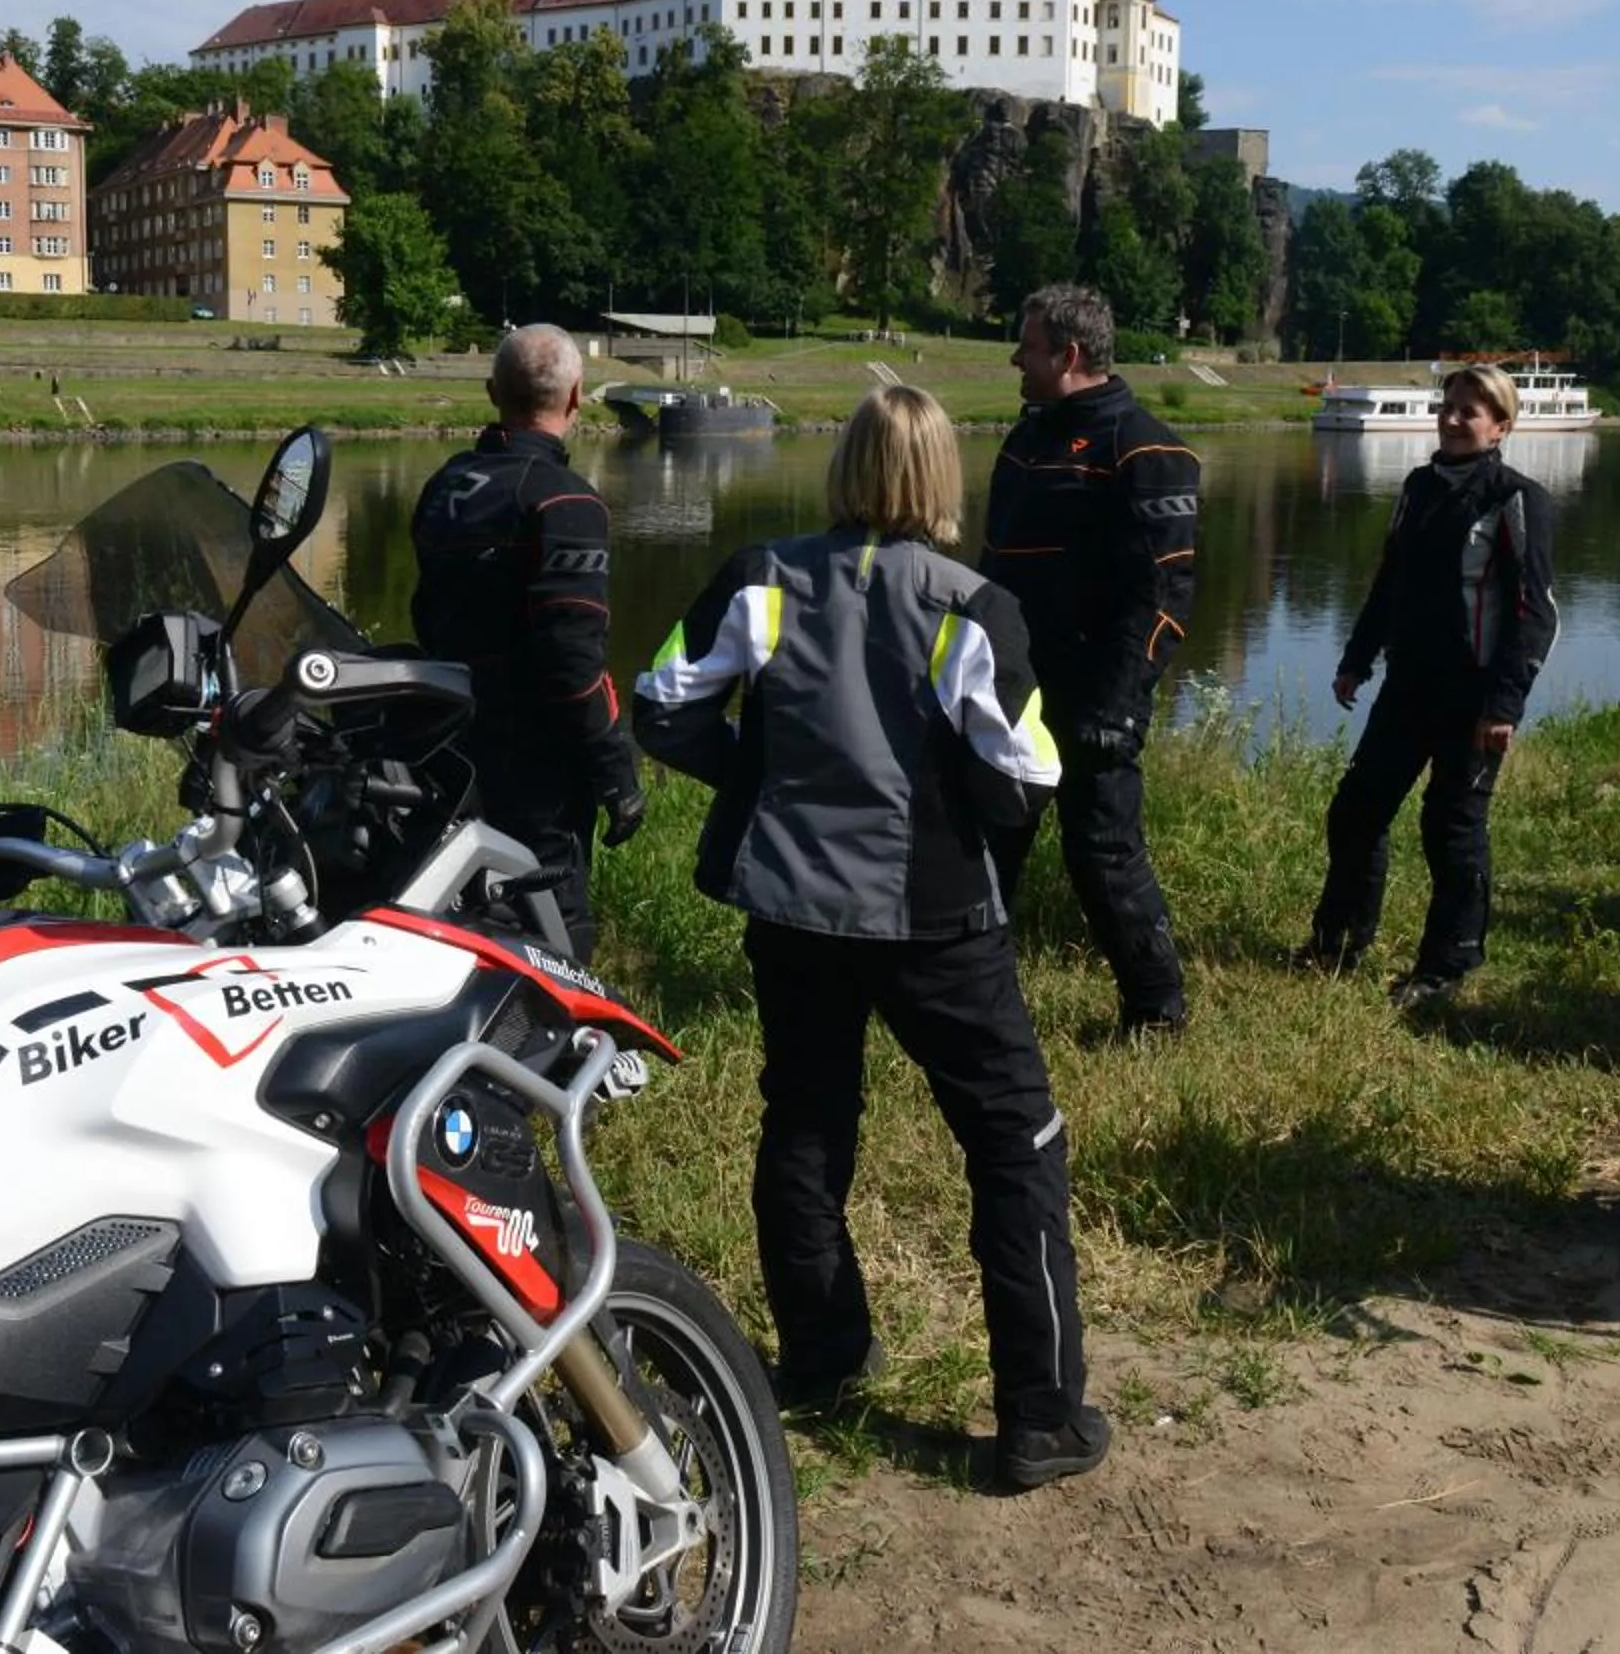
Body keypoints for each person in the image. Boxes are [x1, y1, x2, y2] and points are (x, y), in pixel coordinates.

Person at [635, 385, 1108, 1492]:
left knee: (805, 1118)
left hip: (793, 907)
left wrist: (763, 777)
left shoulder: (762, 577)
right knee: (1016, 1144)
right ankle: (1038, 1416)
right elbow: (1030, 771)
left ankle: (823, 1354)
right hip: (934, 920)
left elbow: (660, 704)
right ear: (943, 479)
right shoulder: (970, 602)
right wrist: (955, 823)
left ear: (844, 467)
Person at [981, 284, 1201, 1036]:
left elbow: (1166, 595)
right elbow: (993, 571)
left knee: (1103, 851)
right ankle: (974, 999)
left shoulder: (1146, 448)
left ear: (1068, 355)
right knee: (985, 844)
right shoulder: (1024, 439)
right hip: (1007, 691)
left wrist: (1120, 704)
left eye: (1028, 344)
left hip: (1093, 696)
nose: (1016, 356)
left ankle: (1157, 1009)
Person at [1306, 365, 1561, 1008]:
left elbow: (1535, 614)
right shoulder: (1419, 487)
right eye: (1448, 406)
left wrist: (1505, 704)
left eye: (1470, 411)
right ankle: (1339, 941)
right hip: (1408, 686)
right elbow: (1389, 582)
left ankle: (1445, 967)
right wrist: (1356, 660)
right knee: (1357, 810)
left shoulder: (1516, 498)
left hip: (1474, 697)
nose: (1452, 419)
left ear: (1501, 426)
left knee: (1451, 826)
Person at [410, 323, 643, 960]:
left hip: (447, 744)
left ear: (492, 392)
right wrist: (615, 771)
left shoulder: (446, 487)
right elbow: (571, 660)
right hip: (535, 760)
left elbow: (430, 614)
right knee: (552, 932)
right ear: (576, 397)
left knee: (463, 917)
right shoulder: (566, 501)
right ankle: (551, 1050)